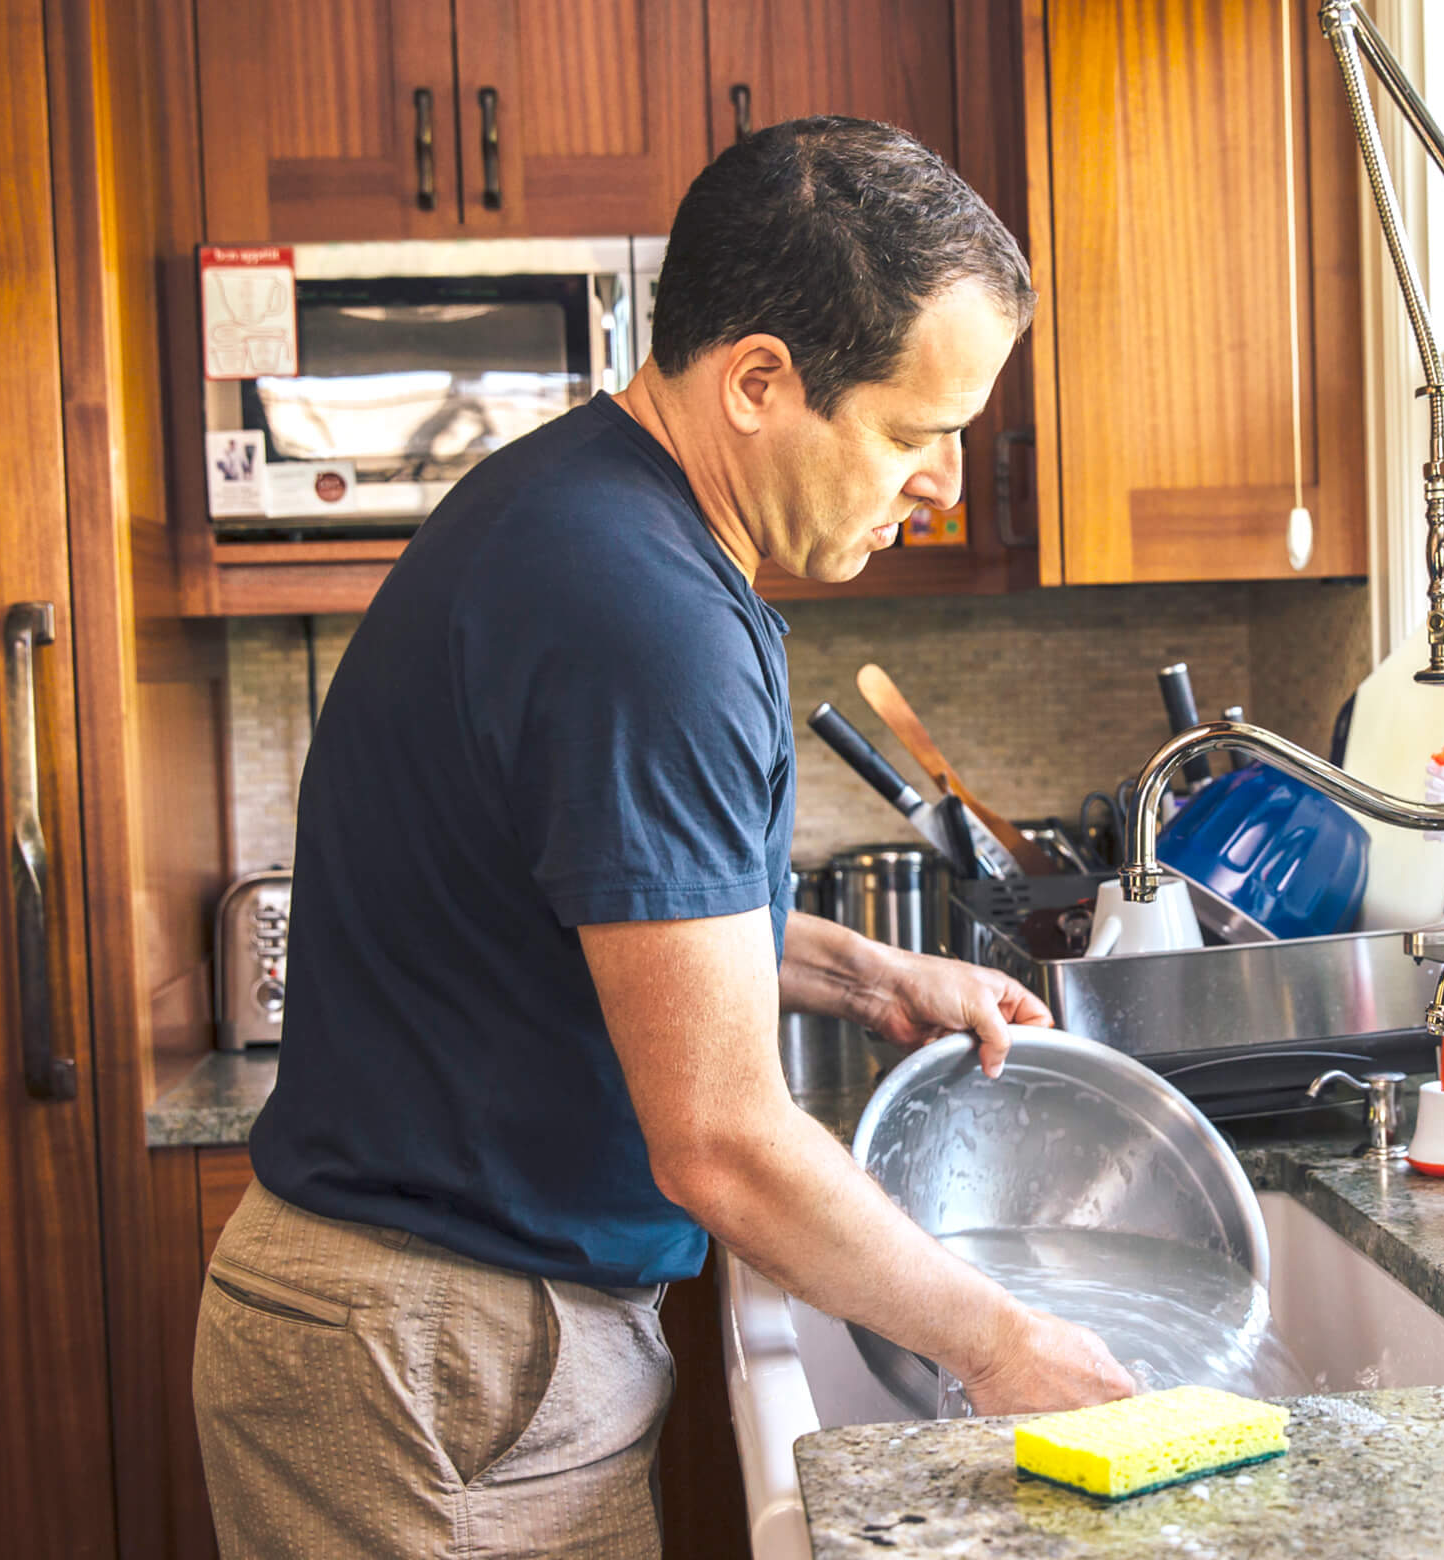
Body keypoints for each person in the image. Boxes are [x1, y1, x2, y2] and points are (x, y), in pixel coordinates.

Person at [193, 117, 1138, 1559]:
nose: (944, 483)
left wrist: (869, 976)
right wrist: (1003, 1345)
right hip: (438, 1354)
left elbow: (617, 910)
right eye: (912, 432)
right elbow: (724, 1145)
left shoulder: (592, 519)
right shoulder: (643, 615)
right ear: (758, 382)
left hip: (436, 1335)